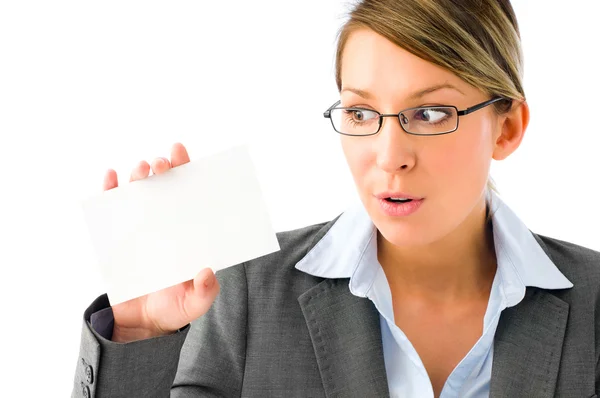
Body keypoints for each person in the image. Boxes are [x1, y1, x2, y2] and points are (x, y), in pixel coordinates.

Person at [72, 1, 600, 397]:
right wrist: (140, 334)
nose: (389, 156)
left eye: (431, 114)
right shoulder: (244, 292)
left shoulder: (594, 304)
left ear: (506, 128)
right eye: (361, 113)